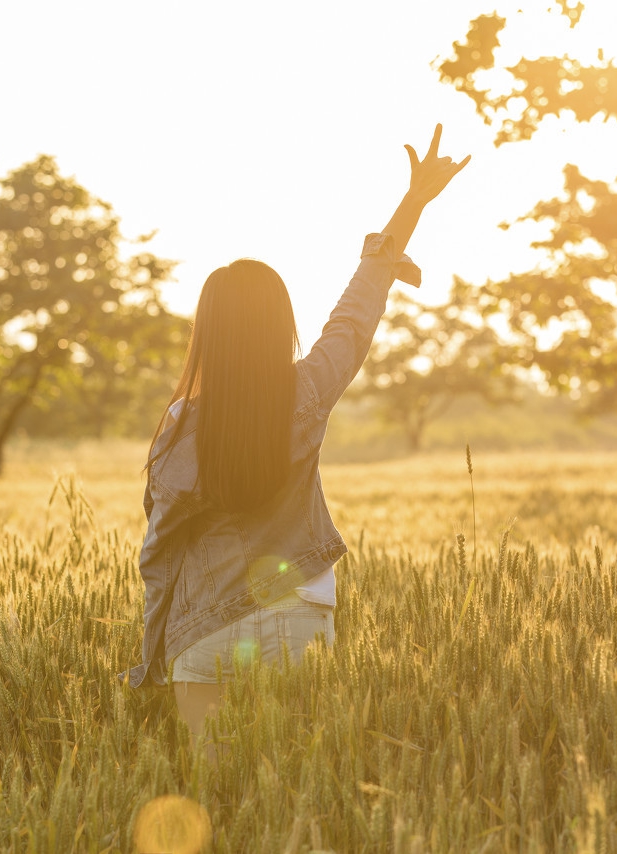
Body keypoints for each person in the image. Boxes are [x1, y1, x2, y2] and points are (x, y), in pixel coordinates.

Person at [119, 124, 470, 757]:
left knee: (218, 790)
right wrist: (412, 203)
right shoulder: (307, 392)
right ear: (282, 323)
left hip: (206, 627)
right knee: (298, 788)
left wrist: (150, 657)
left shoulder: (182, 424)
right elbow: (354, 317)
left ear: (209, 333)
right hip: (301, 615)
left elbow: (159, 556)